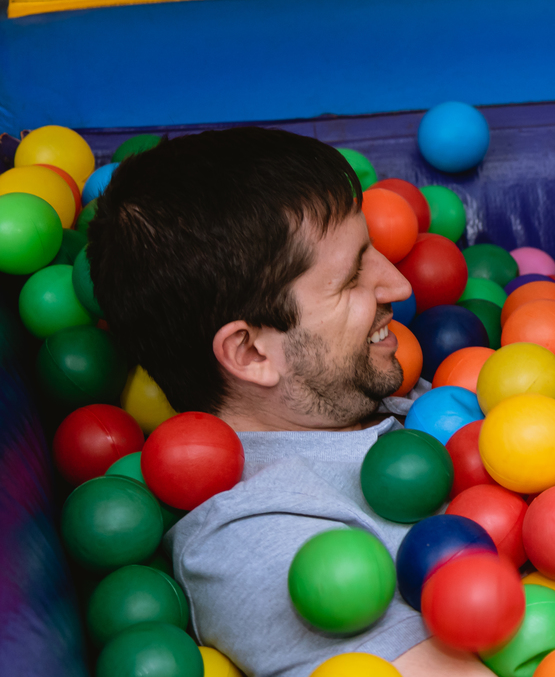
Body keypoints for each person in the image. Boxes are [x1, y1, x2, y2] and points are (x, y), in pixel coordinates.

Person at [88, 128, 491, 677]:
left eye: (373, 249)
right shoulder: (260, 547)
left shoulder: (376, 390)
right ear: (251, 351)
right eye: (352, 277)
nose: (398, 284)